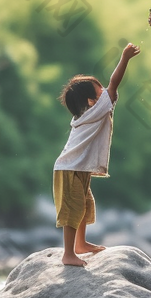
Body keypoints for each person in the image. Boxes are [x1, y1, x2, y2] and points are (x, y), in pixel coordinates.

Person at [54, 43, 140, 265]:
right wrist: (125, 57)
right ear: (91, 102)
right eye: (99, 89)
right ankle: (68, 254)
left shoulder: (88, 113)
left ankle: (80, 245)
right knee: (72, 209)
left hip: (77, 168)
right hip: (69, 168)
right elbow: (114, 83)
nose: (105, 91)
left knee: (83, 205)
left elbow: (109, 87)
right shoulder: (96, 111)